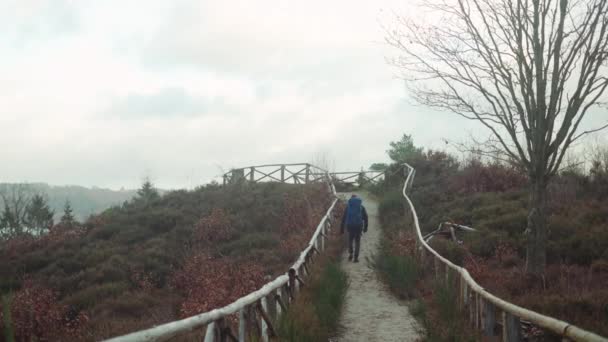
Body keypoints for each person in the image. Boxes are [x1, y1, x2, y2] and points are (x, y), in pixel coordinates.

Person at [340, 194, 369, 262]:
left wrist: (341, 229)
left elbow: (344, 218)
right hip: (359, 226)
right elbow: (366, 218)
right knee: (357, 241)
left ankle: (351, 254)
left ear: (351, 199)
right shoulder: (361, 207)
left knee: (350, 239)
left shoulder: (348, 207)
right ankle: (356, 257)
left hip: (350, 226)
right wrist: (365, 227)